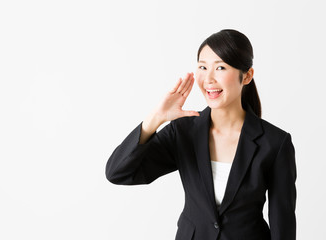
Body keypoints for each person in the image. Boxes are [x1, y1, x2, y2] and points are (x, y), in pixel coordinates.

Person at [105, 29, 296, 240]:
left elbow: (283, 224)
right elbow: (118, 173)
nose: (209, 78)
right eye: (203, 67)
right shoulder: (184, 131)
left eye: (220, 67)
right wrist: (154, 119)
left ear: (247, 76)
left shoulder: (275, 143)